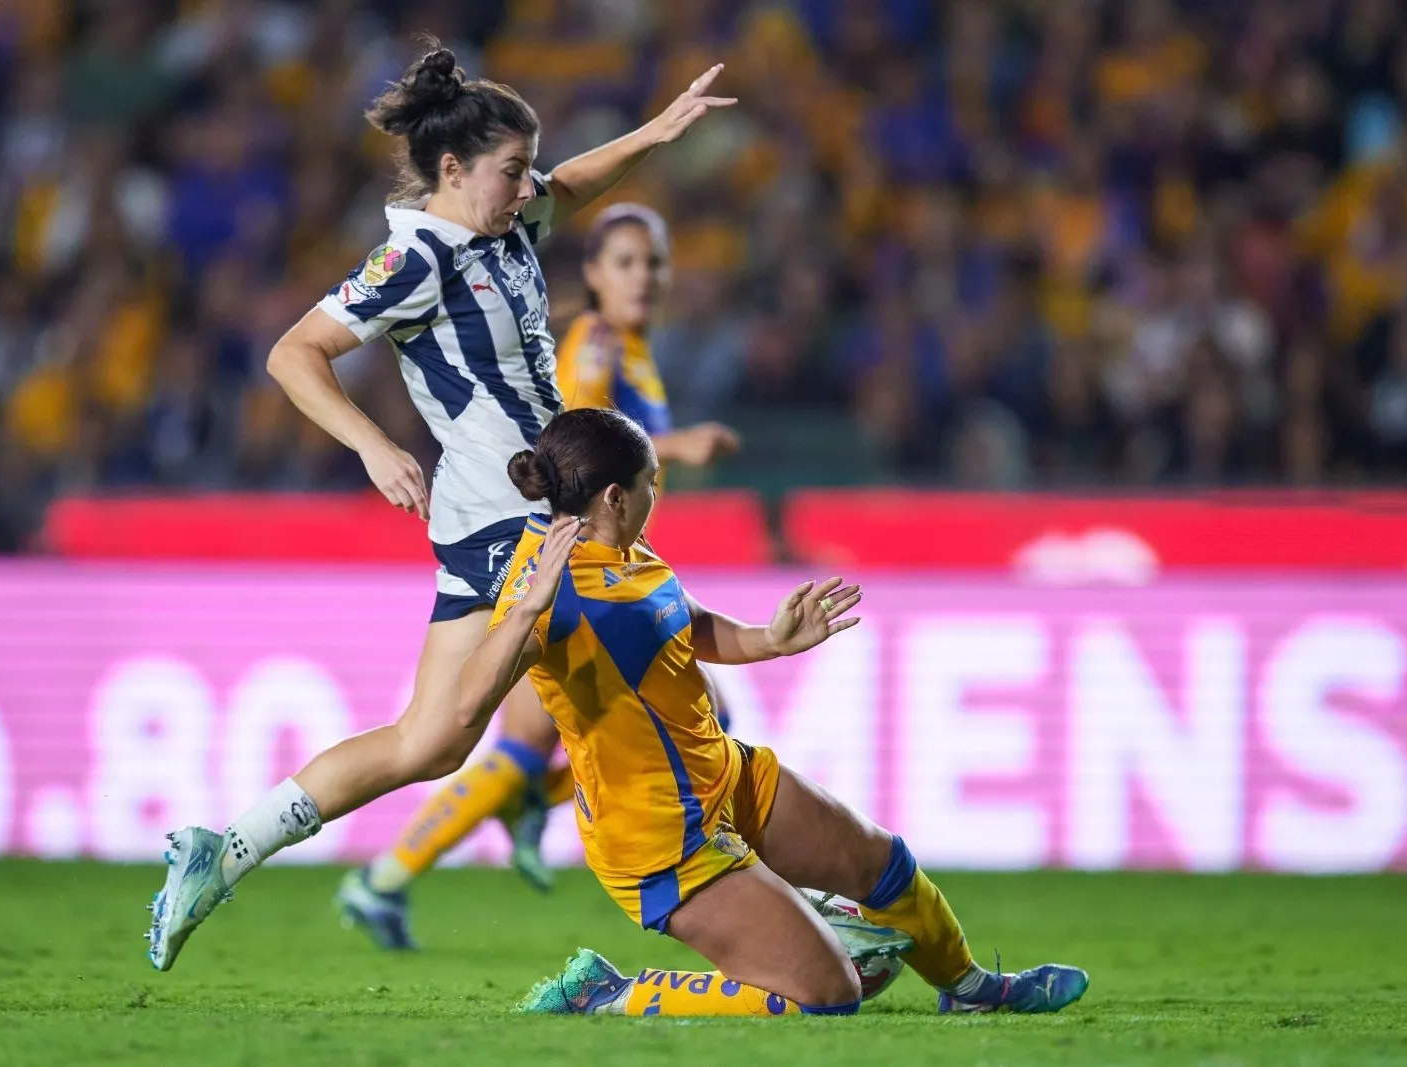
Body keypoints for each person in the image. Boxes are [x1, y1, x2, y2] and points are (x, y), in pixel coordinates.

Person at [144, 41, 737, 971]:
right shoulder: (415, 255)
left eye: (528, 168)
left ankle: (224, 851)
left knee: (434, 739)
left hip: (496, 517)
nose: (527, 185)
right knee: (658, 680)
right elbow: (294, 353)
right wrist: (376, 446)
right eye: (510, 171)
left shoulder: (500, 226)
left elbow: (570, 183)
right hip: (517, 519)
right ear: (452, 170)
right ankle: (792, 900)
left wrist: (658, 131)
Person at [456, 407, 1090, 1017]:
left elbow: (688, 627)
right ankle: (607, 992)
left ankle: (971, 987)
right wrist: (526, 607)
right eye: (653, 485)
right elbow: (466, 705)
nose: (659, 496)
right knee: (828, 993)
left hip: (726, 778)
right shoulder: (545, 586)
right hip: (658, 838)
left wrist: (771, 640)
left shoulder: (633, 553)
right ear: (615, 496)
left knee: (884, 866)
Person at [340, 204, 741, 944]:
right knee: (539, 741)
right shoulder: (594, 346)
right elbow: (578, 442)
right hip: (566, 568)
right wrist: (678, 446)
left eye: (653, 262)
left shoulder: (634, 349)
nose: (643, 277)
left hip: (604, 567)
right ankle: (388, 873)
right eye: (624, 262)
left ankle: (400, 870)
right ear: (591, 274)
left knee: (539, 746)